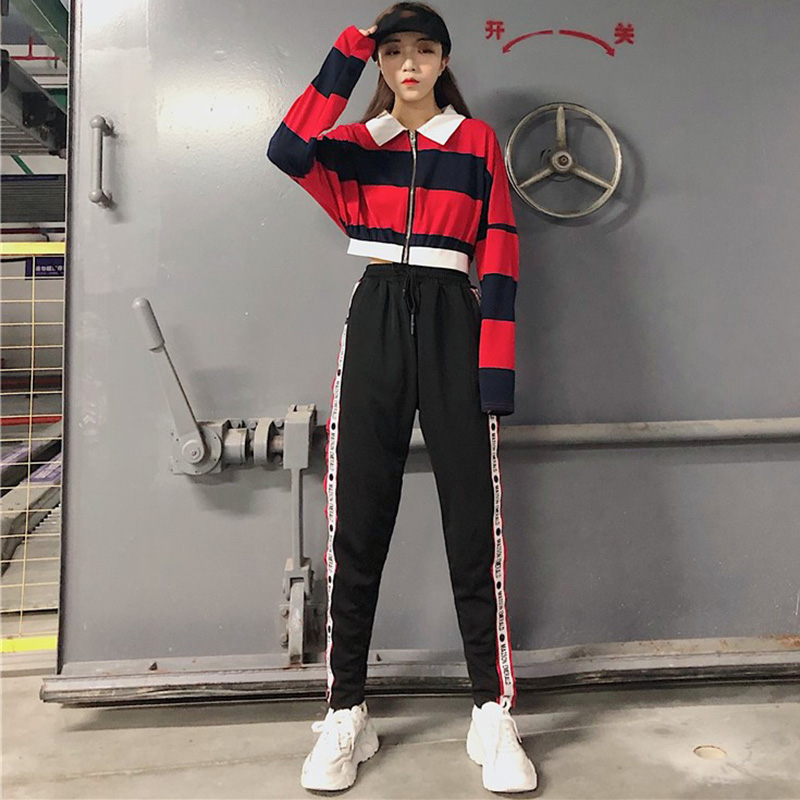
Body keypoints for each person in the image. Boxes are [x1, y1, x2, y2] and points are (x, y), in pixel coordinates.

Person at [267, 2, 536, 793]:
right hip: (378, 312)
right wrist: (348, 49)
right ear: (379, 63)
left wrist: (495, 370)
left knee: (473, 526)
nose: (408, 64)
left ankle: (491, 711)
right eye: (393, 52)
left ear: (444, 60)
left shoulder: (476, 142)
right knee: (357, 520)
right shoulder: (356, 145)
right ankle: (346, 710)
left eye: (423, 50)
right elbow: (287, 147)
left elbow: (503, 251)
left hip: (457, 317)